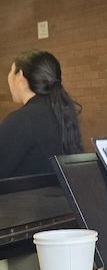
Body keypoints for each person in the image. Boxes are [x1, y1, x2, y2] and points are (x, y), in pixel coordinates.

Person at [0, 49, 83, 178]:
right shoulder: (62, 114)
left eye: (11, 71)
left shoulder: (21, 120)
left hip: (27, 198)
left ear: (20, 77)